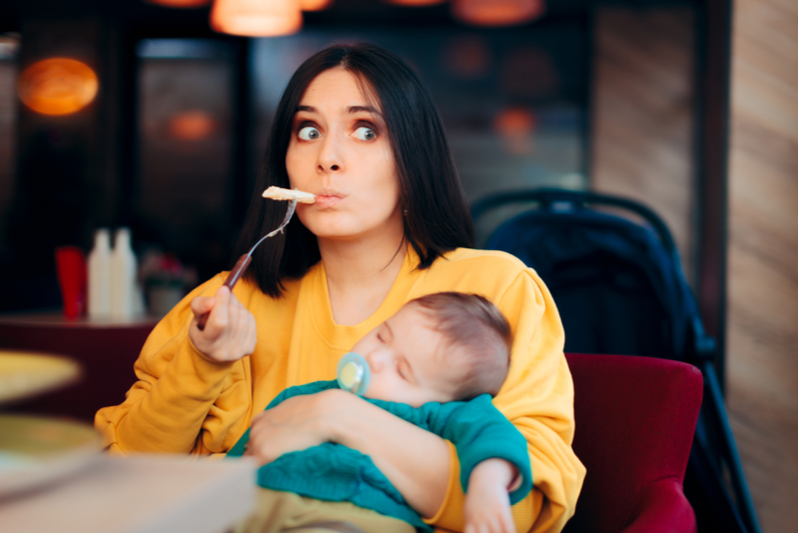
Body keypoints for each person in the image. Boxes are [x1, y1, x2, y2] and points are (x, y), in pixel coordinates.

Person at [95, 43, 585, 533]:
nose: (327, 158)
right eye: (308, 131)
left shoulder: (495, 289)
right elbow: (120, 479)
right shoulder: (223, 303)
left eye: (365, 131)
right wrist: (200, 365)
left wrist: (337, 415)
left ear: (413, 156)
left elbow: (522, 511)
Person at [229, 292, 532, 533]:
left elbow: (494, 436)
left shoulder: (440, 414)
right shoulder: (305, 394)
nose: (374, 358)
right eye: (382, 337)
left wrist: (487, 485)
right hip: (260, 498)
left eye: (401, 370)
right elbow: (248, 447)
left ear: (443, 400)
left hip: (354, 513)